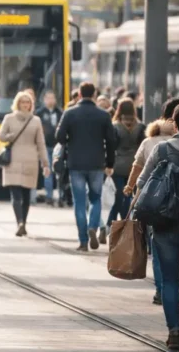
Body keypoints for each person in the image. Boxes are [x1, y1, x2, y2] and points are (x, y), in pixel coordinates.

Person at [137, 103, 179, 349]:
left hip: (166, 225)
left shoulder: (162, 149)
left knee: (170, 281)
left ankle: (174, 333)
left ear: (175, 125)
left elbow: (141, 183)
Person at [124, 97, 179, 306]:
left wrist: (131, 190)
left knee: (162, 258)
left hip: (157, 209)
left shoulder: (153, 144)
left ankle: (162, 295)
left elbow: (139, 171)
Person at [55, 82, 116, 251]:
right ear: (95, 95)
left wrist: (70, 140)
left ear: (79, 95)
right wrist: (110, 163)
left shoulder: (70, 113)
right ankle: (93, 227)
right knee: (96, 199)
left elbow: (59, 137)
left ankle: (83, 241)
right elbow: (111, 142)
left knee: (79, 202)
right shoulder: (103, 115)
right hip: (97, 164)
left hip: (76, 163)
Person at [0, 92, 50, 237]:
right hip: (13, 160)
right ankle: (20, 222)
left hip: (30, 161)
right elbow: (1, 136)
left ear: (31, 105)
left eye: (28, 102)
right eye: (23, 102)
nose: (25, 104)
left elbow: (41, 143)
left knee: (26, 195)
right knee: (15, 194)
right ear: (18, 103)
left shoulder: (36, 121)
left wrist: (45, 163)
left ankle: (23, 222)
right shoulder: (8, 118)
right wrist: (11, 136)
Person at [101, 98, 145, 242]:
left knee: (116, 197)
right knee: (130, 197)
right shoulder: (141, 127)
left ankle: (111, 225)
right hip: (135, 166)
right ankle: (128, 225)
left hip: (117, 166)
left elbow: (111, 147)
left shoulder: (115, 126)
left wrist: (107, 165)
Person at [35, 90, 63, 205]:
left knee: (59, 171)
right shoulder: (40, 113)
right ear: (44, 99)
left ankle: (61, 196)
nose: (50, 100)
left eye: (52, 98)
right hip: (45, 145)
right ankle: (49, 196)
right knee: (47, 171)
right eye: (48, 98)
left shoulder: (60, 112)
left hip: (57, 145)